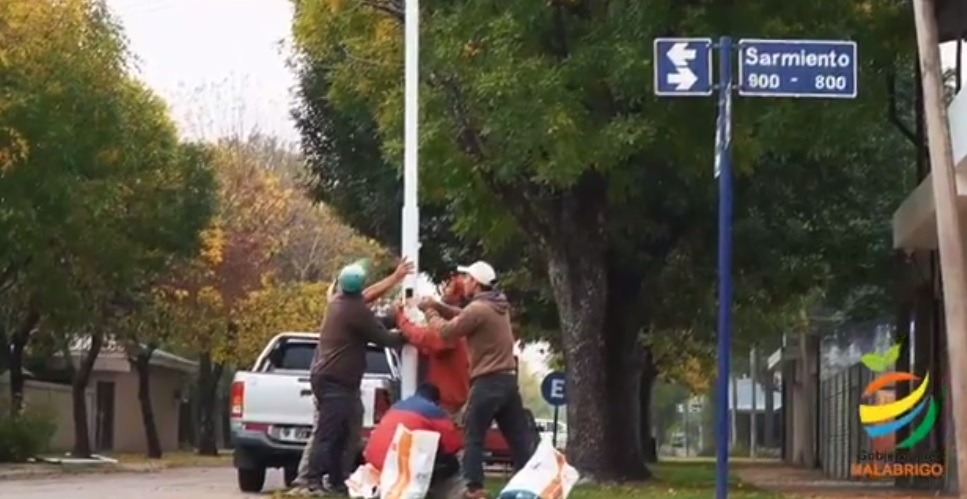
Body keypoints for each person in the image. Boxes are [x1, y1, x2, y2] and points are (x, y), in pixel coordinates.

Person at [291, 259, 414, 492]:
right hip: (336, 381)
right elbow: (384, 338)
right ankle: (309, 481)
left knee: (346, 431)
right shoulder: (356, 311)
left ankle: (337, 480)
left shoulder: (338, 301)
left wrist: (395, 278)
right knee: (329, 433)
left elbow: (368, 297)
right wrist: (410, 330)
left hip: (330, 378)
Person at [420, 261, 534, 499]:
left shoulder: (478, 309)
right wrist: (438, 305)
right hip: (508, 381)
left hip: (487, 382)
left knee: (473, 438)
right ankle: (532, 484)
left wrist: (429, 311)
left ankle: (474, 490)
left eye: (467, 278)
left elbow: (446, 331)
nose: (463, 281)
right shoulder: (497, 306)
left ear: (476, 282)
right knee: (518, 440)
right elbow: (464, 317)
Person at [363, 383, 466, 499]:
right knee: (453, 463)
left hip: (374, 462)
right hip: (400, 466)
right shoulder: (434, 411)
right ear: (436, 401)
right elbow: (453, 445)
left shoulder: (395, 407)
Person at [395, 278, 471, 416]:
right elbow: (428, 345)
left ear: (458, 295)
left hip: (447, 400)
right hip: (450, 397)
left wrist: (401, 319)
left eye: (449, 287)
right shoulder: (462, 322)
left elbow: (423, 337)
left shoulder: (452, 327)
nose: (444, 289)